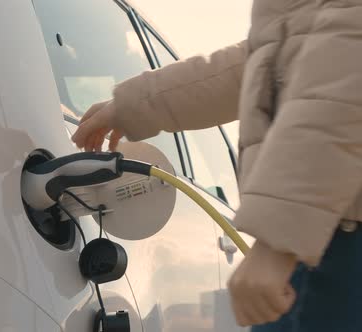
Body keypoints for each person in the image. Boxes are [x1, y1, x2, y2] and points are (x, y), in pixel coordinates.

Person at [71, 1, 362, 331]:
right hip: (323, 232)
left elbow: (341, 86)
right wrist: (132, 104)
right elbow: (260, 63)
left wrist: (278, 243)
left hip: (332, 238)